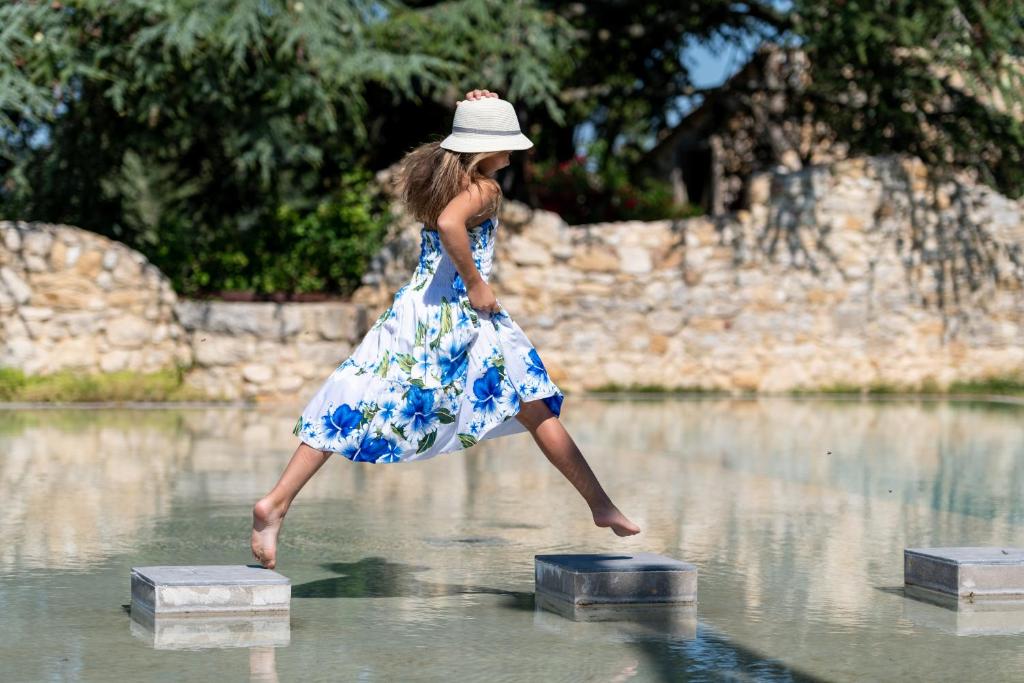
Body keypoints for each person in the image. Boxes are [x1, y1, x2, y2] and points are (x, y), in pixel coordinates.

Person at [251, 89, 640, 569]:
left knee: (349, 400)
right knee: (536, 407)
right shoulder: (483, 189)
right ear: (489, 148)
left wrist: (473, 107)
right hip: (462, 317)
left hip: (415, 308)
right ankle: (600, 504)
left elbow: (443, 214)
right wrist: (477, 284)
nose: (514, 153)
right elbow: (450, 223)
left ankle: (276, 502)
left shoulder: (445, 178)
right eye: (507, 144)